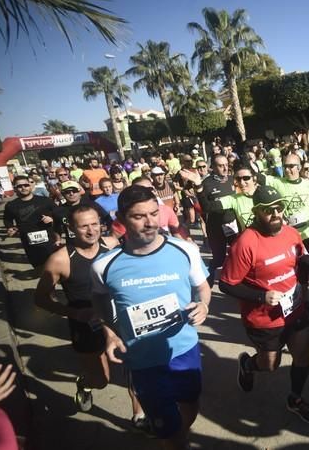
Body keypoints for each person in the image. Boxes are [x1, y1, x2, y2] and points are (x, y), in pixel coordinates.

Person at [91, 185, 211, 449]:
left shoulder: (185, 251)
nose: (150, 223)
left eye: (154, 214)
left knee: (189, 407)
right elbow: (99, 298)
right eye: (139, 216)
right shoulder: (104, 265)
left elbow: (203, 289)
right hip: (142, 360)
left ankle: (178, 436)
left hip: (184, 351)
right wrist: (110, 331)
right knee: (168, 432)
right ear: (120, 220)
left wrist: (203, 306)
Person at [33, 205, 149, 428]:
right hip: (86, 324)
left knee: (135, 366)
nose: (91, 230)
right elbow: (40, 299)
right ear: (72, 228)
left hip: (120, 318)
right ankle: (85, 382)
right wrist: (75, 313)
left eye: (94, 223)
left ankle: (139, 415)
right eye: (84, 225)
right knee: (101, 380)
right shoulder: (60, 259)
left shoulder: (113, 245)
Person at [218, 186, 309, 423]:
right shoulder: (246, 243)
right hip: (263, 317)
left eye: (279, 208)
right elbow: (226, 284)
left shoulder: (290, 233)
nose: (276, 214)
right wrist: (260, 297)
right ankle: (248, 364)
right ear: (256, 212)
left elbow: (301, 255)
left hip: (294, 309)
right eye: (268, 210)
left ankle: (295, 399)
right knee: (270, 364)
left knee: (302, 355)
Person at [197, 154, 235, 287]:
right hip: (216, 227)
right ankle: (209, 276)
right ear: (213, 167)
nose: (225, 168)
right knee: (219, 259)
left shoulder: (233, 179)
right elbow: (204, 207)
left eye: (226, 165)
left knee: (238, 253)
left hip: (233, 225)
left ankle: (234, 280)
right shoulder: (206, 184)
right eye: (220, 165)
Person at [3, 175, 57, 270]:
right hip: (30, 244)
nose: (23, 188)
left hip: (49, 241)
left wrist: (52, 219)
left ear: (30, 185)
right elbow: (7, 219)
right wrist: (10, 228)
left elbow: (58, 214)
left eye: (26, 185)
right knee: (41, 271)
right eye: (19, 186)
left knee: (56, 268)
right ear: (15, 188)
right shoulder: (11, 205)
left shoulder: (45, 201)